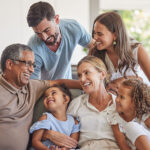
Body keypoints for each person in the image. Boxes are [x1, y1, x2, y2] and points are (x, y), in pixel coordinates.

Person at [0, 43, 80, 150]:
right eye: (28, 64)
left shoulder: (32, 86)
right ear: (10, 64)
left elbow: (58, 82)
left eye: (33, 65)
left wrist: (87, 85)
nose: (32, 70)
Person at [27, 1, 95, 80]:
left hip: (67, 88)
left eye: (47, 30)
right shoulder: (33, 48)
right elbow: (33, 84)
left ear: (56, 19)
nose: (44, 37)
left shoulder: (73, 28)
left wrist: (88, 66)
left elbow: (94, 45)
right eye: (38, 33)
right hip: (45, 90)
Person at [66, 55, 121, 150]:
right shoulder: (76, 104)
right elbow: (64, 131)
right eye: (79, 75)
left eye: (87, 73)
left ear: (102, 75)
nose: (82, 79)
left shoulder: (119, 103)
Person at [90, 11, 150, 93]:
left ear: (115, 35)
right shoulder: (94, 52)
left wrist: (124, 80)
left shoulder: (137, 50)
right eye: (94, 33)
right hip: (108, 101)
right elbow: (90, 83)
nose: (95, 37)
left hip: (134, 100)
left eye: (100, 34)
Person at [30, 84, 80, 150]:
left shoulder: (74, 122)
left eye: (53, 93)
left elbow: (73, 143)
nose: (49, 97)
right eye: (46, 96)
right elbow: (35, 141)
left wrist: (64, 149)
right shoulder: (45, 118)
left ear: (65, 99)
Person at [108, 79, 150, 150]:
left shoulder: (145, 115)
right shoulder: (114, 117)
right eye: (117, 95)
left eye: (122, 97)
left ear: (135, 102)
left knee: (131, 126)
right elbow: (123, 145)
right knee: (130, 126)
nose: (116, 99)